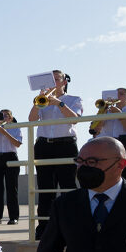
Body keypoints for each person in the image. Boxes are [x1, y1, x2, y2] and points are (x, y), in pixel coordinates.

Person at [28, 69, 82, 238]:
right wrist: (38, 104)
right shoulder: (41, 100)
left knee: (68, 187)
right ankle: (44, 227)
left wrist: (58, 103)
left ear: (64, 82)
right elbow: (31, 120)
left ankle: (72, 226)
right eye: (51, 80)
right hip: (44, 145)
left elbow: (74, 119)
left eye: (57, 79)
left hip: (66, 145)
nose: (54, 83)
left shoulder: (74, 99)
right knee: (45, 189)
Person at [97, 87, 126, 184]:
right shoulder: (105, 111)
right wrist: (103, 112)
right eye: (116, 94)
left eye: (121, 94)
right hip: (107, 144)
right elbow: (96, 130)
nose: (117, 96)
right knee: (106, 177)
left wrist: (119, 115)